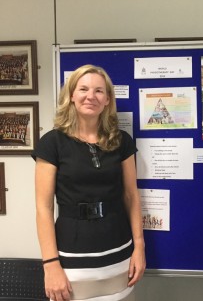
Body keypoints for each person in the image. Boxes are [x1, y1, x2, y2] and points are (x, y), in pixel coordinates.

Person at [32, 64, 146, 301]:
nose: (90, 96)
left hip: (119, 252)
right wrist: (50, 263)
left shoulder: (121, 141)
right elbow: (44, 208)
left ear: (107, 100)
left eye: (99, 91)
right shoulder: (51, 143)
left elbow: (131, 197)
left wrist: (139, 248)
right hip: (71, 257)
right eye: (83, 89)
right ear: (72, 95)